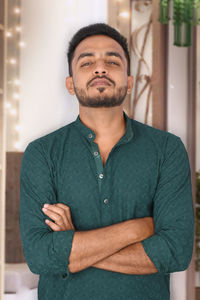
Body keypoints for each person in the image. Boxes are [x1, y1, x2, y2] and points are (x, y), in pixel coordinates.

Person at [19, 23, 194, 300]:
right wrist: (136, 229)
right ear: (70, 84)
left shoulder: (167, 150)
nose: (100, 69)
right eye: (86, 62)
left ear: (129, 81)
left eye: (112, 61)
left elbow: (174, 252)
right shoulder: (42, 153)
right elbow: (40, 256)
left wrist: (74, 244)